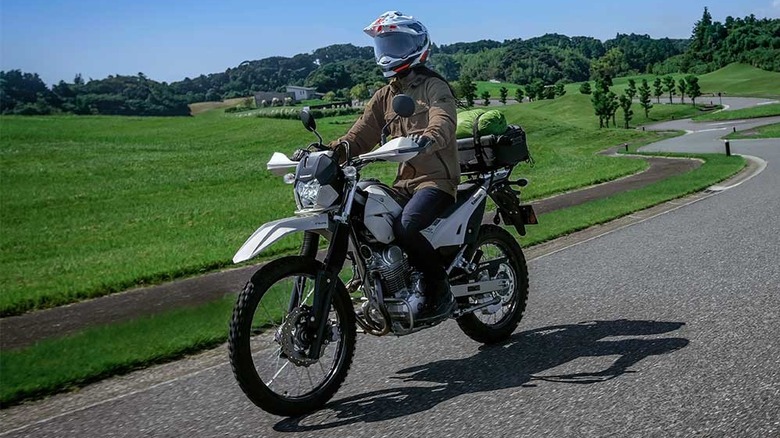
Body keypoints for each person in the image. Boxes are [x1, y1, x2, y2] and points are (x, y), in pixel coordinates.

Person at [336, 11, 460, 319]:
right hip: (403, 185)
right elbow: (360, 136)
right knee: (361, 214)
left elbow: (443, 119)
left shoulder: (434, 87)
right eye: (384, 45)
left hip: (436, 182)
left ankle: (439, 289)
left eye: (397, 44)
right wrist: (330, 153)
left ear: (417, 45)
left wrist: (429, 138)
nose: (389, 53)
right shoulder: (384, 96)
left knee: (405, 228)